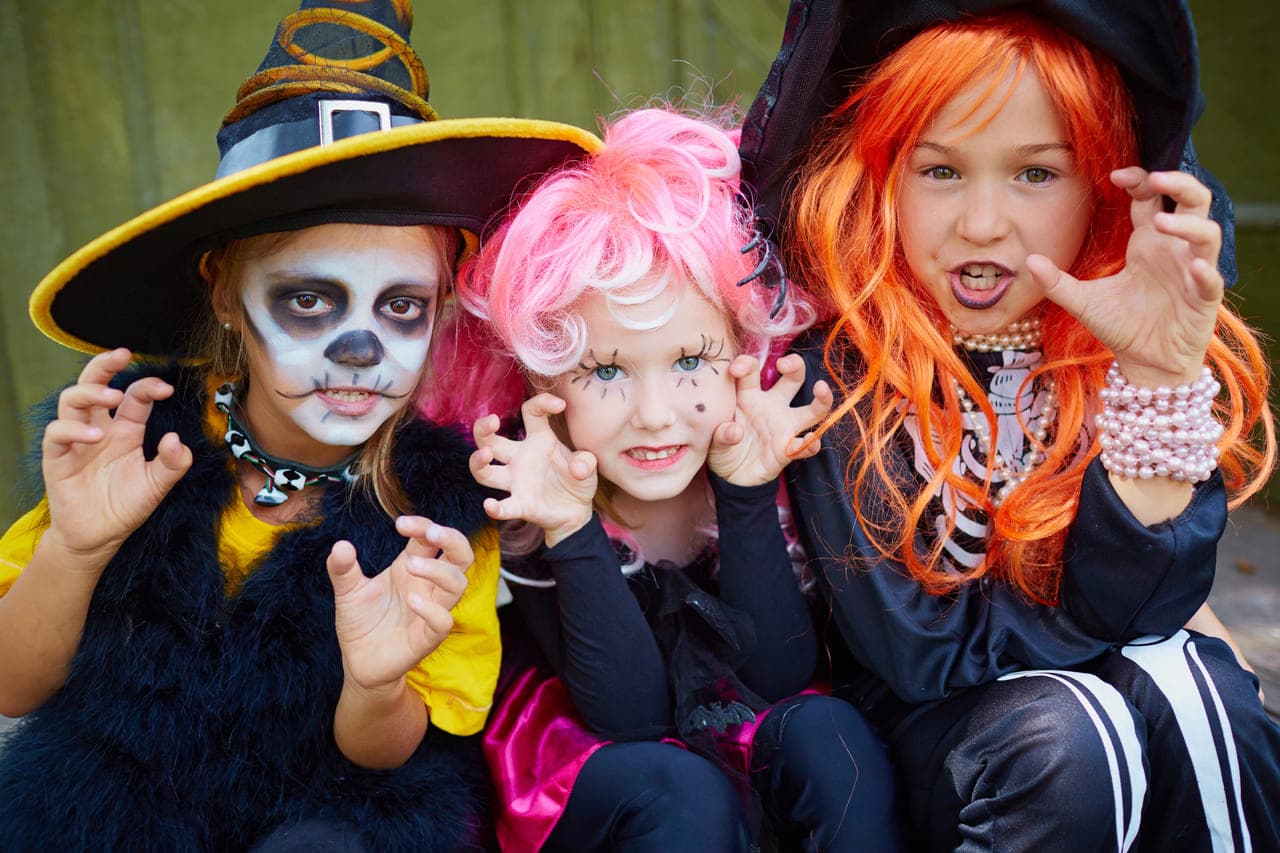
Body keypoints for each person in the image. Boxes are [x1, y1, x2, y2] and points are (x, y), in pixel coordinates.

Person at [0, 1, 599, 849]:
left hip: (328, 818)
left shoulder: (441, 515)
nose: (359, 350)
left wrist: (377, 678)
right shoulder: (133, 442)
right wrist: (77, 546)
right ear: (225, 293)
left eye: (400, 305)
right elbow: (11, 687)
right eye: (310, 299)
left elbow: (386, 752)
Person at [737, 1, 1280, 849]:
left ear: (1107, 184)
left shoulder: (1110, 343)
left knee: (1197, 687)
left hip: (1097, 711)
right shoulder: (843, 368)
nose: (982, 223)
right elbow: (923, 654)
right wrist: (1122, 634)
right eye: (940, 170)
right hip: (924, 750)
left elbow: (1157, 609)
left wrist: (1157, 373)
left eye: (1035, 173)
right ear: (878, 175)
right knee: (1074, 725)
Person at [446, 106, 900, 852]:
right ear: (544, 378)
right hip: (609, 763)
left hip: (749, 727)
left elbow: (779, 677)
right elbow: (631, 715)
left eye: (689, 362)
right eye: (607, 371)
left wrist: (748, 494)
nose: (655, 416)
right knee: (680, 790)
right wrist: (569, 526)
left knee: (831, 731)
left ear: (741, 350)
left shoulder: (758, 452)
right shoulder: (535, 491)